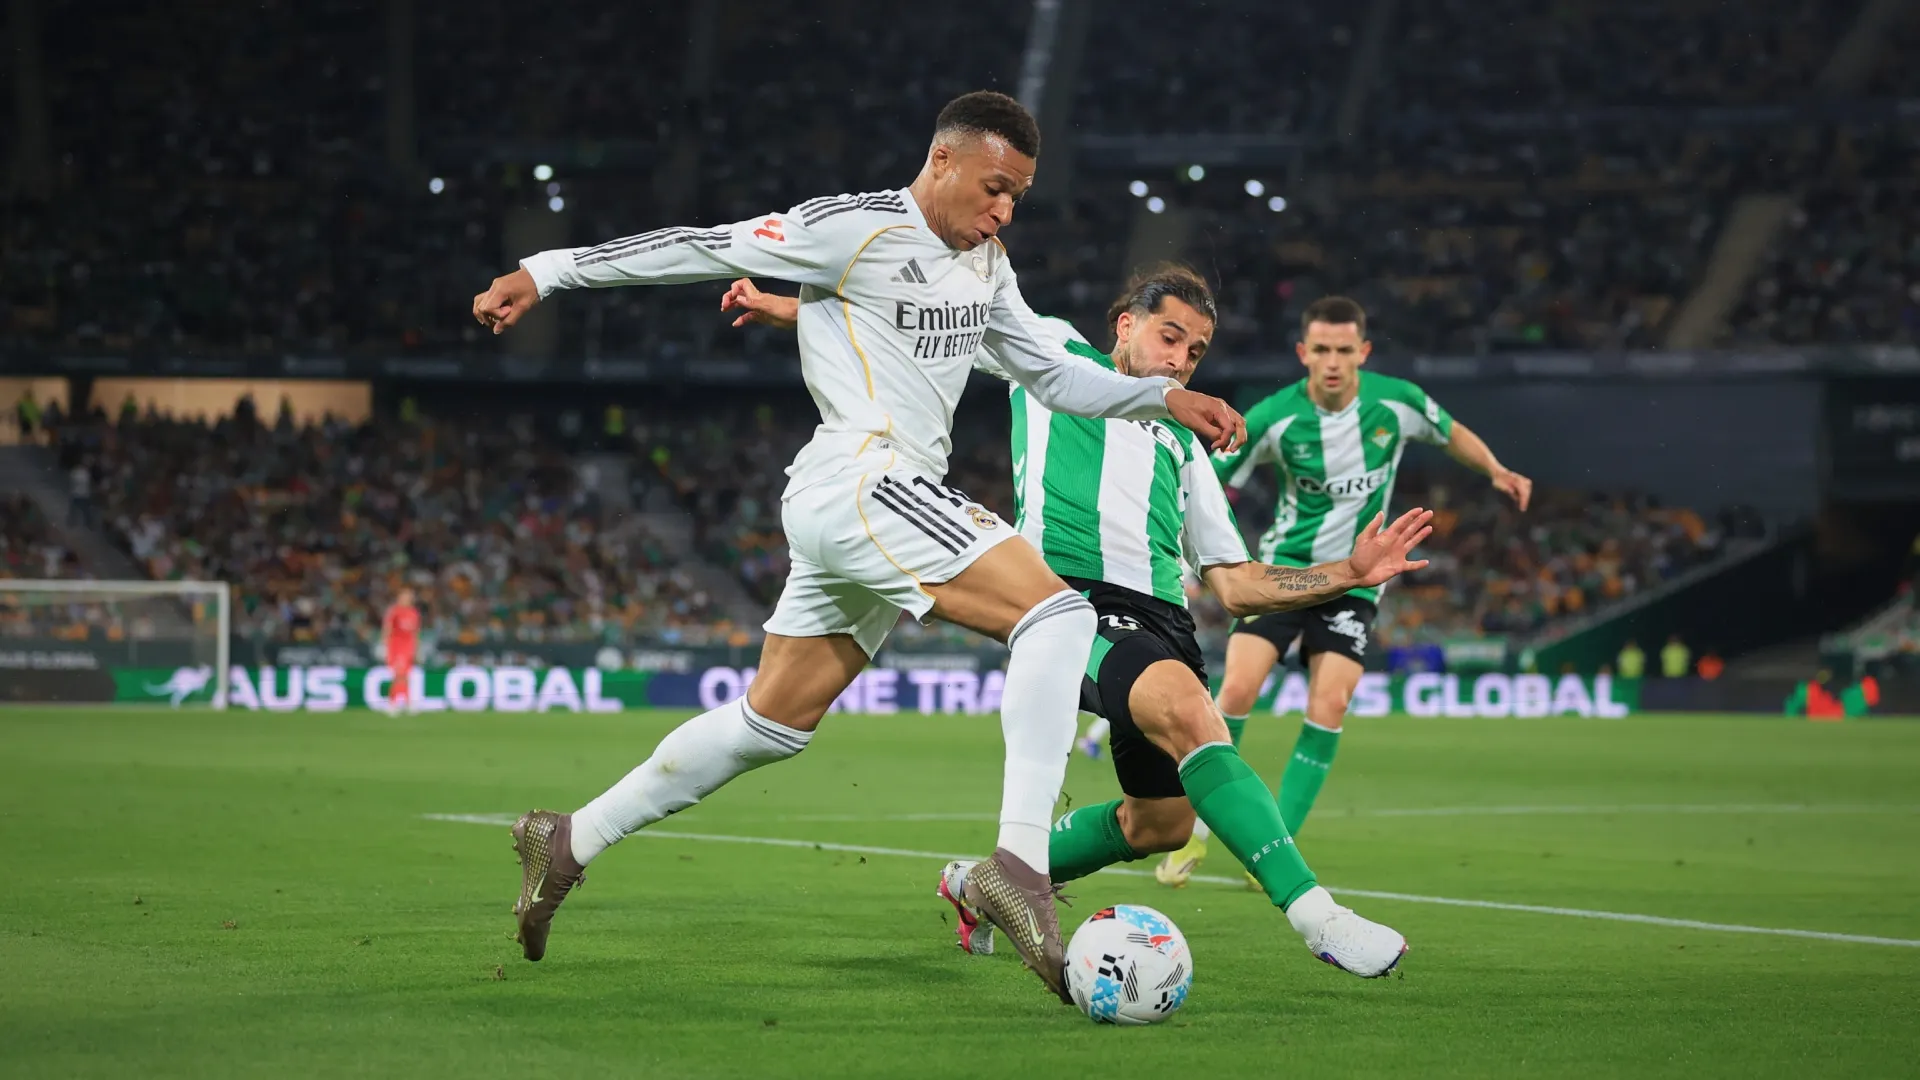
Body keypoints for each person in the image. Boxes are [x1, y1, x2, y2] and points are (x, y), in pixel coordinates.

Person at [469, 91, 1246, 1001]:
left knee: (771, 724)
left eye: (1018, 197)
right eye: (994, 188)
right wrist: (547, 271)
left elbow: (1053, 375)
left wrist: (1164, 397)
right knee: (1060, 615)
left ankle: (569, 839)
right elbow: (703, 245)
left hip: (876, 503)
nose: (1003, 211)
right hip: (862, 477)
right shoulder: (853, 228)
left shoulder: (986, 264)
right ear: (943, 160)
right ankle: (1017, 866)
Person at [722, 266, 1427, 977]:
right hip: (1069, 603)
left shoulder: (1184, 444)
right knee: (1194, 717)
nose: (1181, 359)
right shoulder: (1054, 356)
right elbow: (930, 328)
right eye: (1169, 336)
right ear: (1126, 324)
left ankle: (983, 882)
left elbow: (1236, 584)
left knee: (1160, 824)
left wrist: (1348, 572)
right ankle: (1320, 918)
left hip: (1165, 626)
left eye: (1195, 350)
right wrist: (794, 309)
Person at [1160, 295, 1533, 888]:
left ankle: (1274, 847)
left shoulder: (1397, 402)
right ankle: (1196, 834)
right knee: (1236, 690)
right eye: (1321, 350)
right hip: (1283, 574)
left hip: (1356, 584)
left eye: (1343, 350)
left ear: (1363, 351)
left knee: (1330, 702)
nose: (1332, 361)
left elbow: (1450, 432)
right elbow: (1207, 476)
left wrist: (1496, 470)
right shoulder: (1275, 416)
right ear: (1303, 353)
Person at [380, 588, 421, 715]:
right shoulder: (394, 611)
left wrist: (416, 649)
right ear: (399, 598)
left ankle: (403, 703)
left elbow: (415, 633)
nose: (407, 599)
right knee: (399, 675)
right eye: (405, 596)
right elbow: (387, 628)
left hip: (408, 647)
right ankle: (394, 703)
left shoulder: (413, 613)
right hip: (396, 647)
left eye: (409, 597)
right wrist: (385, 645)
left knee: (405, 676)